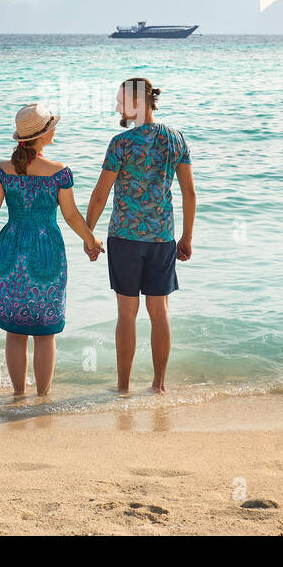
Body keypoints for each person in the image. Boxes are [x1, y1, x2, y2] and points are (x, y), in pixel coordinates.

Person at [0, 103, 103, 397]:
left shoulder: (3, 171)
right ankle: (42, 397)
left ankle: (17, 395)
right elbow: (71, 216)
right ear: (44, 135)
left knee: (15, 330)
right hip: (47, 252)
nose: (54, 130)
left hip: (11, 247)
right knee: (45, 330)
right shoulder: (59, 172)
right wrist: (92, 241)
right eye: (52, 127)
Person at [85, 77, 195, 393]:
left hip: (125, 237)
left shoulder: (121, 143)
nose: (119, 106)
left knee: (126, 312)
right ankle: (159, 386)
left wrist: (88, 234)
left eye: (122, 100)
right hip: (162, 237)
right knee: (159, 311)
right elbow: (189, 192)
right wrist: (186, 236)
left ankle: (123, 387)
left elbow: (99, 195)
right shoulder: (176, 140)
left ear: (138, 102)